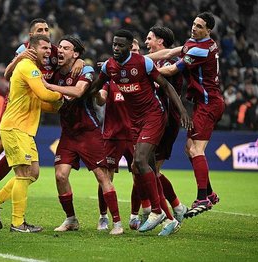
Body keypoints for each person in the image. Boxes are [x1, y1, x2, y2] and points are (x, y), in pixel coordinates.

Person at [0, 18, 83, 209]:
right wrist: (18, 59)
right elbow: (6, 75)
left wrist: (81, 61)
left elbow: (71, 57)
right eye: (40, 29)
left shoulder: (52, 51)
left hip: (35, 101)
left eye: (46, 29)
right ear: (31, 35)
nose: (45, 32)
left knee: (13, 155)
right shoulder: (24, 50)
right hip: (17, 101)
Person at [91, 29, 192, 233]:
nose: (116, 48)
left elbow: (165, 86)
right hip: (134, 122)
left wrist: (182, 110)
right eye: (114, 45)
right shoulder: (109, 67)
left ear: (130, 48)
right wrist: (78, 97)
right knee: (147, 169)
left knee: (139, 161)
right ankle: (171, 214)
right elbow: (95, 88)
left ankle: (156, 211)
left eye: (121, 45)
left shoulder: (142, 63)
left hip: (154, 115)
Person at [42, 35, 124, 235]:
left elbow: (78, 92)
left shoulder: (85, 70)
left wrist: (50, 87)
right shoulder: (54, 66)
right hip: (68, 134)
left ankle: (117, 223)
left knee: (102, 176)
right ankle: (71, 219)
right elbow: (36, 47)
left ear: (75, 53)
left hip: (89, 132)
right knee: (60, 176)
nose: (60, 50)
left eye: (66, 48)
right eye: (59, 47)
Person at [0, 34, 64, 232]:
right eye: (44, 48)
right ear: (33, 48)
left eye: (48, 48)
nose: (48, 51)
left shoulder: (32, 70)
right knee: (22, 173)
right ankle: (18, 223)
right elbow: (45, 94)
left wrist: (58, 102)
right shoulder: (28, 66)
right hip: (15, 128)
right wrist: (65, 93)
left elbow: (43, 103)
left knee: (33, 173)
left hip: (24, 130)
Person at [158, 12, 224, 218]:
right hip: (202, 103)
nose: (194, 28)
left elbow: (170, 71)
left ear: (209, 30)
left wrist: (141, 68)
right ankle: (210, 193)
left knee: (196, 149)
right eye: (194, 24)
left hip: (208, 104)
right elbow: (171, 52)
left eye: (200, 26)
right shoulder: (197, 44)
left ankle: (202, 197)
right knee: (189, 148)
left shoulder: (201, 50)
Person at [94, 39, 141, 232]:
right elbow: (103, 99)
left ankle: (134, 216)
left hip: (135, 134)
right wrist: (95, 91)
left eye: (138, 50)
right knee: (106, 177)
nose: (135, 53)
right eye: (133, 49)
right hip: (112, 135)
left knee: (139, 175)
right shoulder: (111, 76)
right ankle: (103, 216)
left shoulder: (142, 76)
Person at [144, 26, 188, 224]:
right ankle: (176, 208)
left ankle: (164, 214)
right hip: (154, 119)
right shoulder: (158, 59)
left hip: (167, 120)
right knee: (150, 169)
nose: (146, 42)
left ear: (160, 41)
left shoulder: (170, 62)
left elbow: (164, 75)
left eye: (149, 38)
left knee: (149, 169)